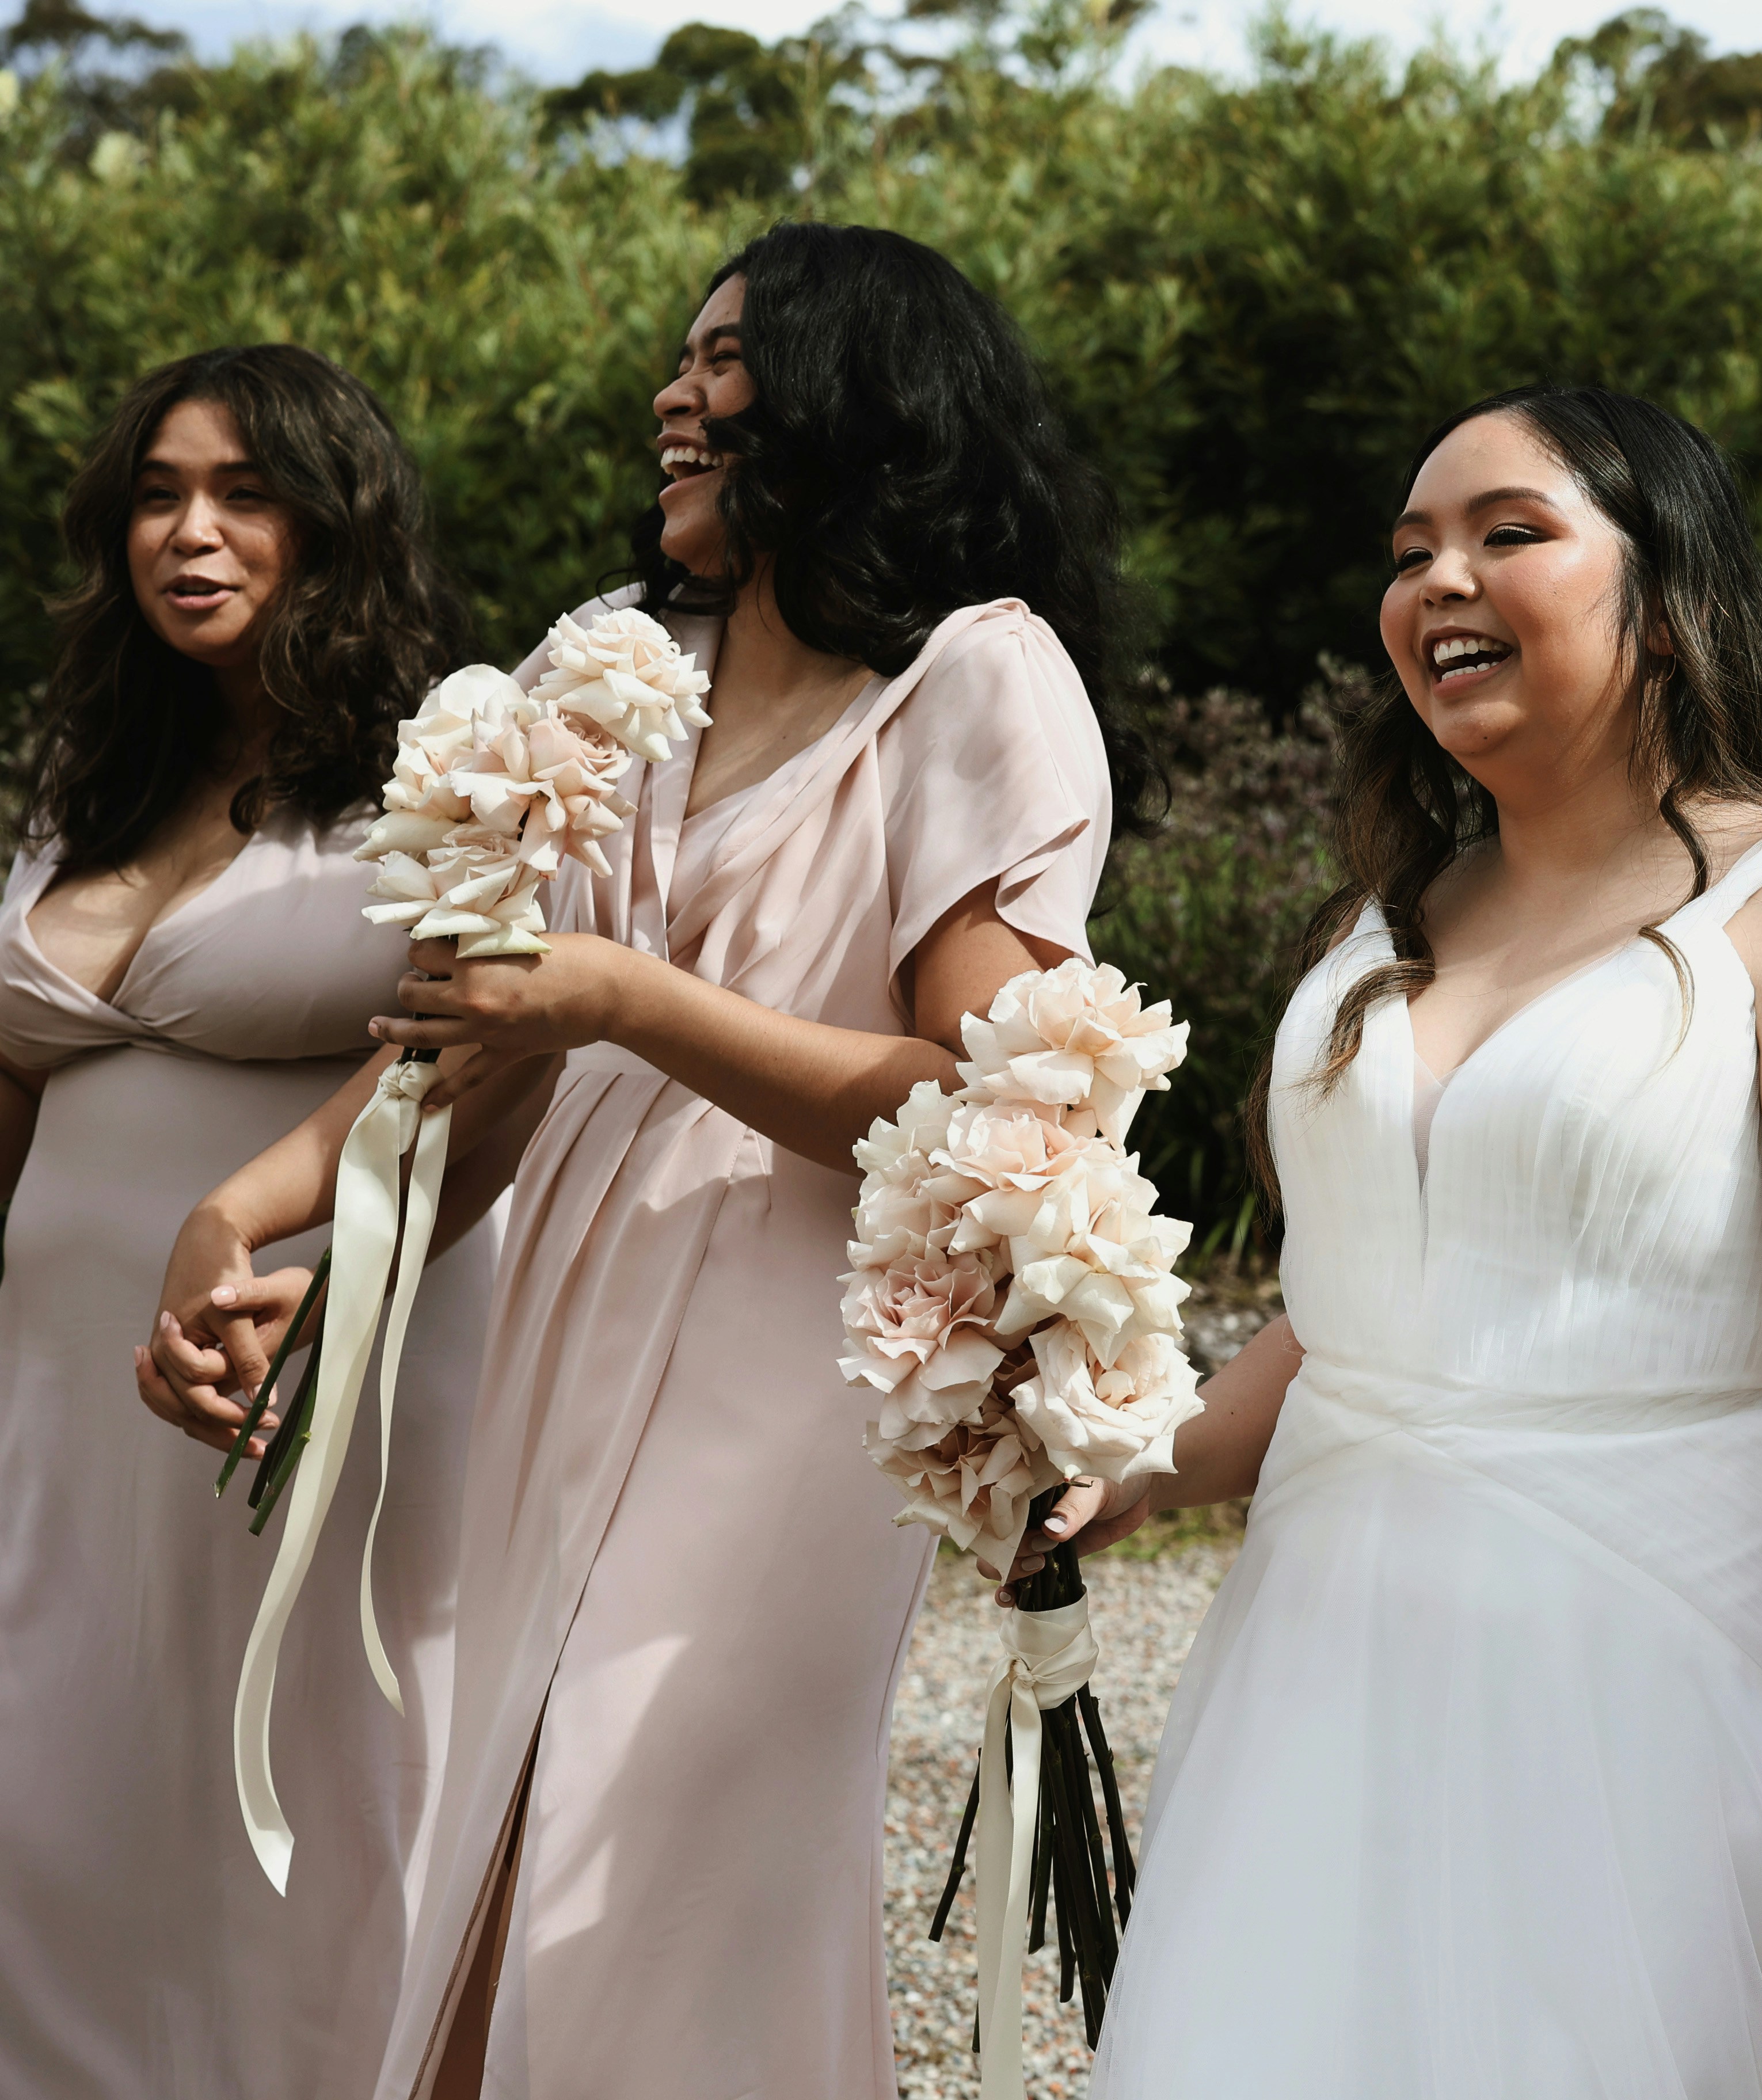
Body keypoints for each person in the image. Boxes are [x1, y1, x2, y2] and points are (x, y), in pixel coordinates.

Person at [1017, 383, 1762, 2100]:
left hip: (1658, 1674)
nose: (1439, 583)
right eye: (1410, 553)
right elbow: (1360, 1315)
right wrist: (1145, 1463)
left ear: (1668, 591)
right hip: (1330, 1674)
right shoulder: (1386, 918)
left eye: (1511, 532)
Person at [140, 223, 1145, 2098]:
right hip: (566, 1335)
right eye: (682, 363)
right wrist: (256, 1224)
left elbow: (986, 1098)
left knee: (645, 1869)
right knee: (500, 1870)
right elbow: (480, 1065)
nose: (676, 397)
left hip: (793, 1368)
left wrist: (624, 994)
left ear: (863, 390)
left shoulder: (972, 682)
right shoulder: (610, 676)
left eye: (728, 360)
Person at [0, 345, 503, 2099]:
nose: (188, 533)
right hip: (54, 1390)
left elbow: (474, 1055)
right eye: (155, 495)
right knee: (50, 1803)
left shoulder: (448, 777)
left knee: (299, 1813)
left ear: (334, 522)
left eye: (241, 494)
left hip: (303, 1352)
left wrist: (253, 1229)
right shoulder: (92, 790)